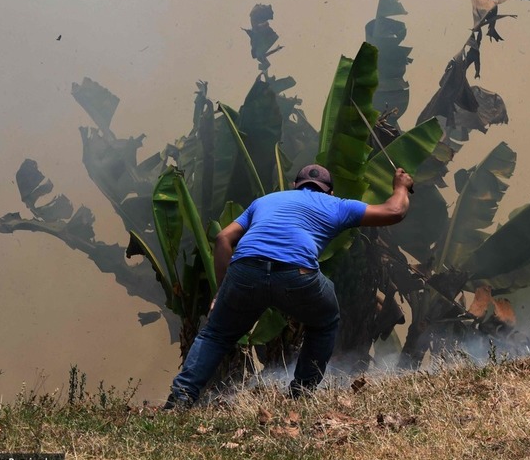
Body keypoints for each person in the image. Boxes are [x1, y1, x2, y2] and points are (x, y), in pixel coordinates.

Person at [165, 163, 414, 409]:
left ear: (295, 186)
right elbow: (394, 211)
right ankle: (301, 394)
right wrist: (400, 187)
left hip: (245, 271)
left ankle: (180, 399)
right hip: (297, 275)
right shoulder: (336, 205)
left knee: (216, 334)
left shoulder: (265, 201)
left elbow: (222, 239)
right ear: (330, 192)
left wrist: (223, 291)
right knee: (325, 321)